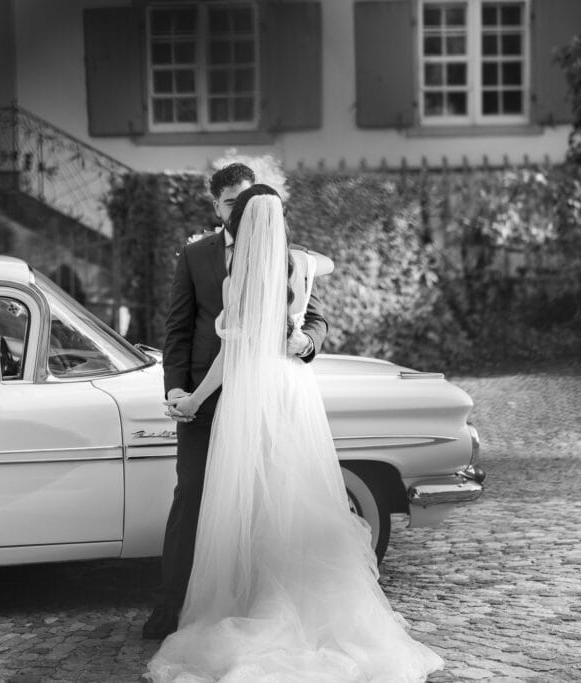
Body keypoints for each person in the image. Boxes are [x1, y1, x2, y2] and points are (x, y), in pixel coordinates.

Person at [146, 187, 443, 681]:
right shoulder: (301, 266)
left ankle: (256, 603)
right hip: (292, 393)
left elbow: (233, 354)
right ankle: (300, 606)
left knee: (251, 501)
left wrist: (194, 400)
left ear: (241, 223)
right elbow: (322, 270)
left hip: (250, 394)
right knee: (291, 496)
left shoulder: (240, 277)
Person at [142, 168, 328, 640]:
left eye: (245, 202)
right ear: (217, 205)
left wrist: (305, 340)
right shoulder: (195, 254)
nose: (239, 211)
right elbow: (178, 328)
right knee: (193, 496)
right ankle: (171, 604)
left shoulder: (290, 257)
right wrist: (176, 390)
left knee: (265, 502)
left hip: (260, 399)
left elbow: (314, 319)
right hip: (209, 401)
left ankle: (255, 602)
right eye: (230, 203)